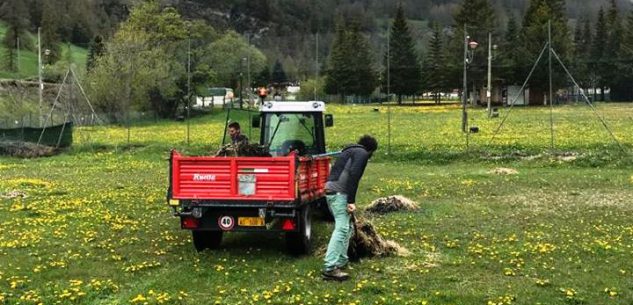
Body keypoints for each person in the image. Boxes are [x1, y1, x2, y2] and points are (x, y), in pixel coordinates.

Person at [322, 135, 378, 281]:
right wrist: (350, 201)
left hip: (332, 191)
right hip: (339, 193)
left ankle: (341, 261)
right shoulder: (362, 153)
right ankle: (330, 268)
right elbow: (353, 175)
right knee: (341, 229)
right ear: (370, 150)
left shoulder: (349, 151)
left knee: (348, 228)